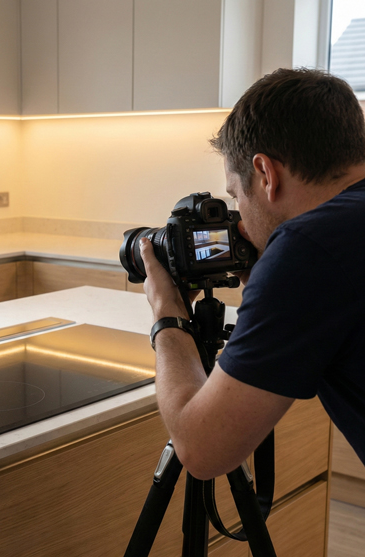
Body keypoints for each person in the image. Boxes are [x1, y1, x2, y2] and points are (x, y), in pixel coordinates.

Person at [139, 68, 365, 481]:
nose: (238, 214)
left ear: (265, 174)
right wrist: (266, 278)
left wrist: (167, 314)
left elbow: (201, 448)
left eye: (235, 194)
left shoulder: (308, 247)